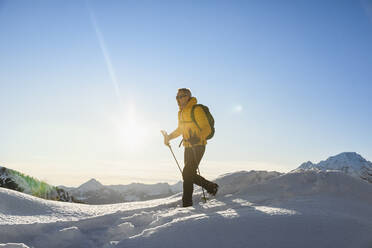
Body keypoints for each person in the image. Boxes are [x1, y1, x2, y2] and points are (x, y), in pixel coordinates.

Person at [163, 88, 218, 207]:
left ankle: (187, 204)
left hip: (198, 145)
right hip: (187, 146)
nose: (178, 99)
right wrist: (169, 137)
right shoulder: (181, 112)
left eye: (181, 96)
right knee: (188, 174)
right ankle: (211, 187)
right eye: (177, 97)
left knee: (187, 173)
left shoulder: (196, 109)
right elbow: (180, 130)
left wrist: (198, 137)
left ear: (188, 96)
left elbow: (207, 128)